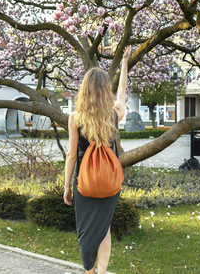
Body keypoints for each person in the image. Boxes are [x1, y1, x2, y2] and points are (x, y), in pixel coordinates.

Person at [64, 46, 131, 274]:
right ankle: (101, 273)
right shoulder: (113, 115)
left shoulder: (75, 117)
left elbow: (72, 155)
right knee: (104, 230)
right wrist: (124, 63)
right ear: (105, 91)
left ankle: (89, 272)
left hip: (84, 183)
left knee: (85, 231)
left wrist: (66, 187)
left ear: (85, 90)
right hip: (110, 183)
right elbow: (122, 93)